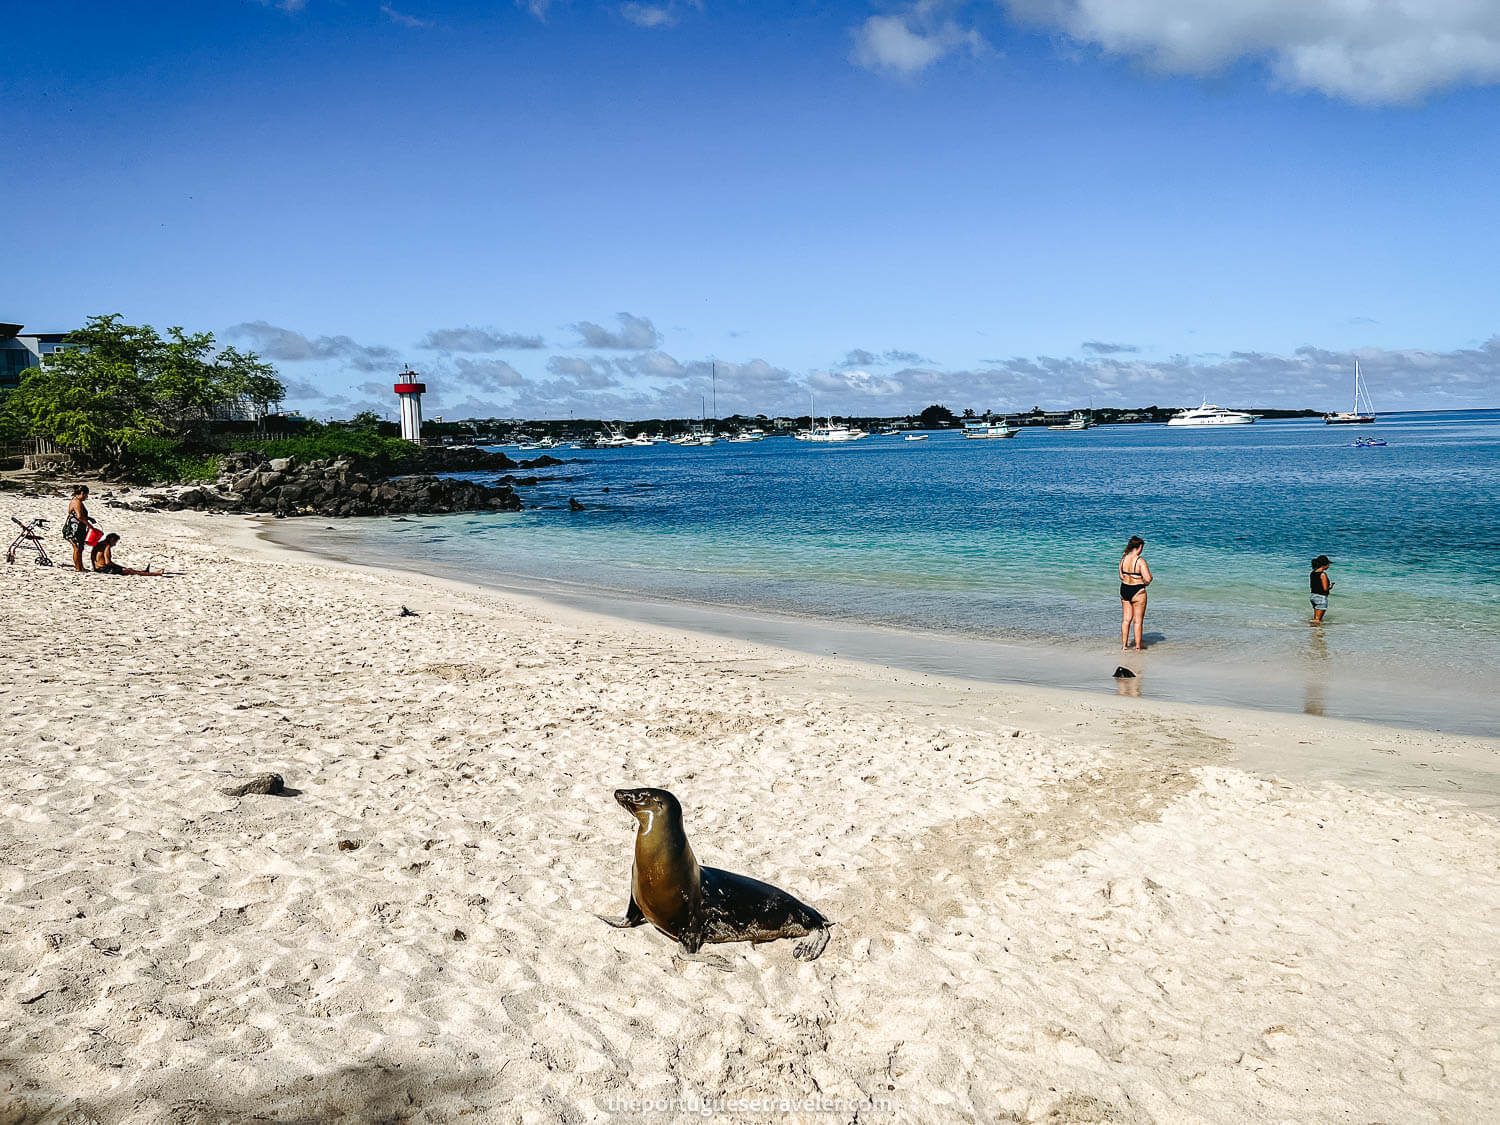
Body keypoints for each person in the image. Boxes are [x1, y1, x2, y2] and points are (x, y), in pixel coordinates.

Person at [1118, 535, 1152, 651]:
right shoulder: (1140, 561)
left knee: (1126, 619)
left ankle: (1124, 646)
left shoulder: (1123, 559)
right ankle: (1138, 647)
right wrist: (1145, 582)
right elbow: (1148, 578)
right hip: (1137, 591)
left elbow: (1121, 576)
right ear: (1139, 547)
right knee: (1138, 621)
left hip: (1124, 589)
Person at [90, 533, 163, 576]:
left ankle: (145, 572)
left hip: (97, 568)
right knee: (129, 571)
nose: (115, 544)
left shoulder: (98, 544)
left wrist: (95, 568)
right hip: (104, 569)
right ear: (112, 540)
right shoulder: (107, 546)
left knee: (128, 570)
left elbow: (92, 557)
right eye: (115, 542)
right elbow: (108, 562)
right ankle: (155, 574)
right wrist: (120, 567)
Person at [64, 484, 95, 573]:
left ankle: (80, 567)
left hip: (77, 527)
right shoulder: (76, 502)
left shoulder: (77, 501)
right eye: (86, 495)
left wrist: (89, 518)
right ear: (81, 493)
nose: (86, 497)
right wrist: (89, 525)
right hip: (74, 528)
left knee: (80, 548)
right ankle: (78, 568)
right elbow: (80, 516)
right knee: (77, 548)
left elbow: (79, 515)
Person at [1309, 555, 1334, 624]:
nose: (1328, 566)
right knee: (1318, 620)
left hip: (1313, 596)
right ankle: (1316, 633)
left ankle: (1314, 631)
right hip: (1321, 597)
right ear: (1324, 565)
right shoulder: (1323, 574)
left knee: (1316, 618)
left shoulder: (1312, 573)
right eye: (1328, 564)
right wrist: (1330, 587)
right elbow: (1325, 588)